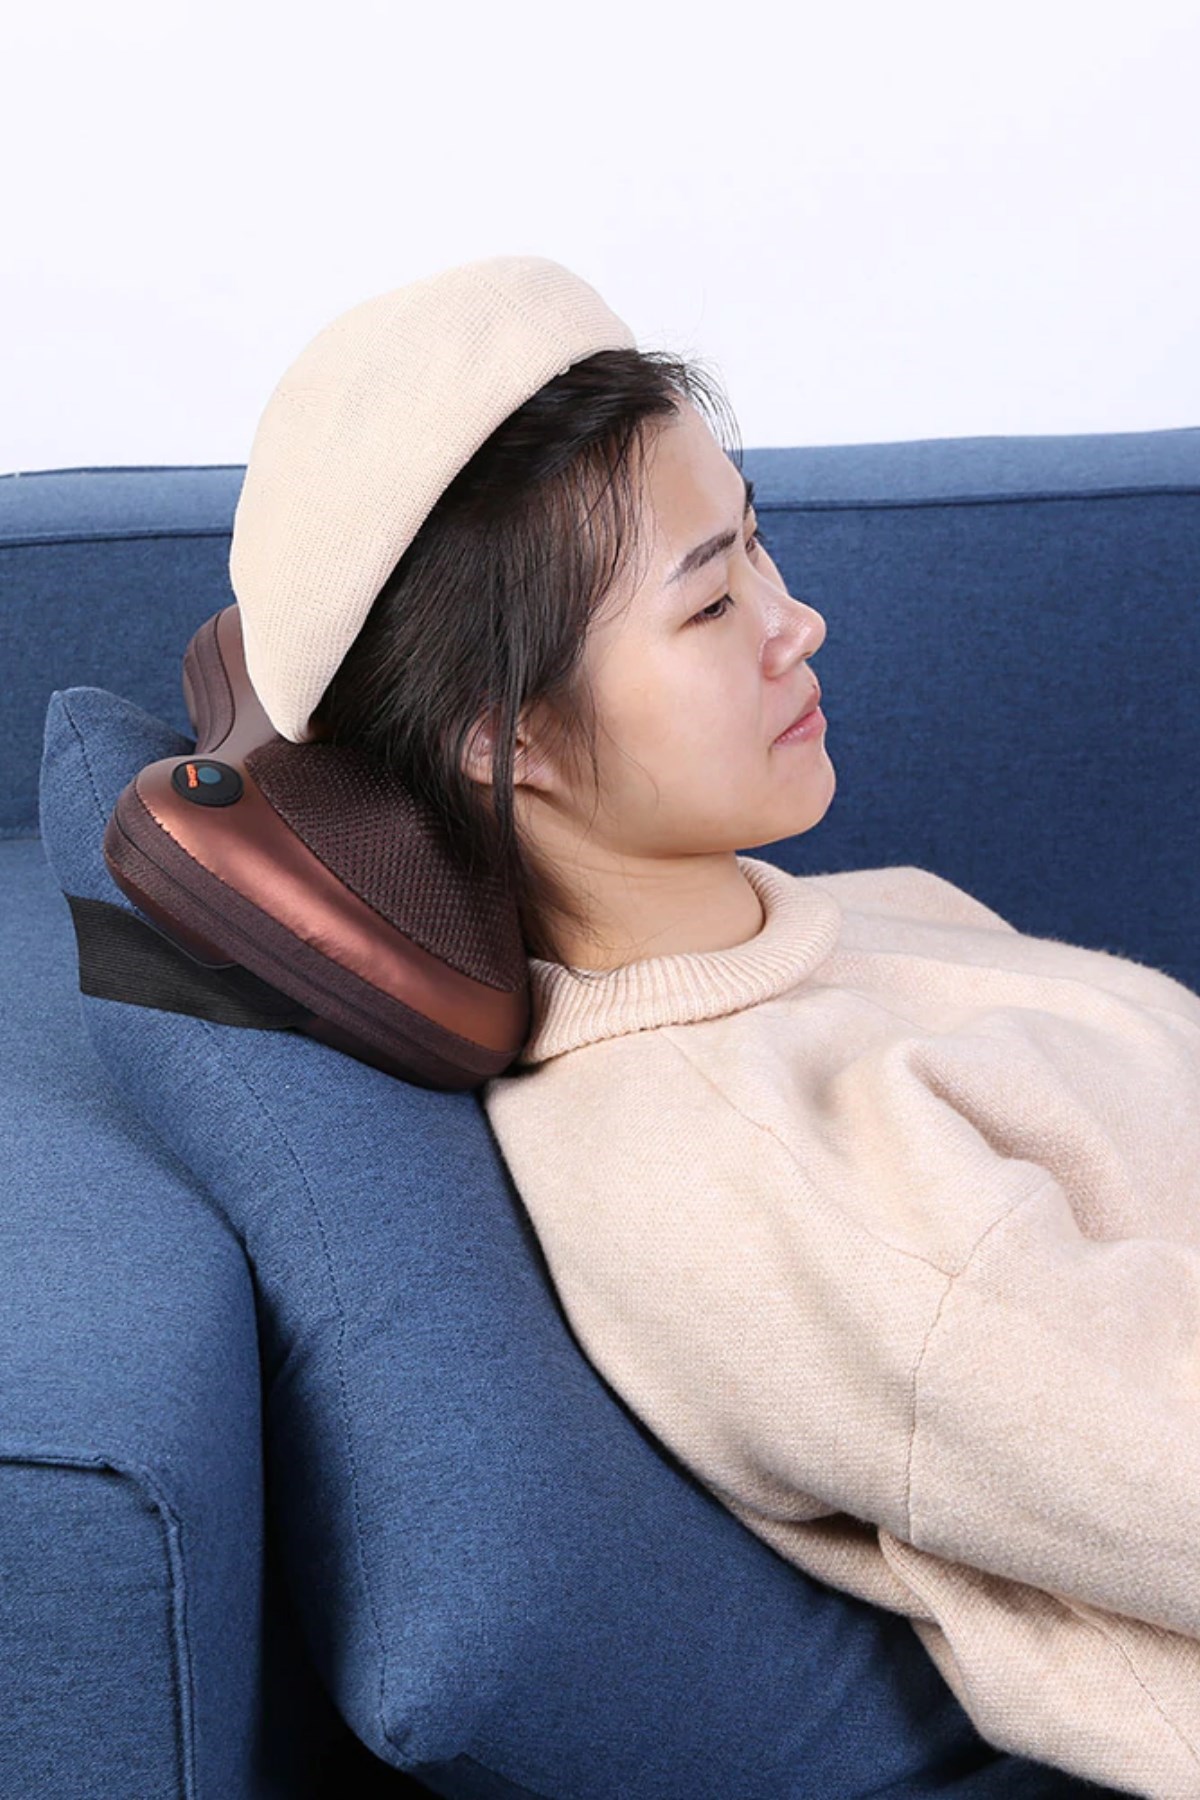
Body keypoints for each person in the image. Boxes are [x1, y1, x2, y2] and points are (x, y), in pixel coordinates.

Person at [243, 256, 1200, 1798]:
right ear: (505, 736)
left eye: (757, 544)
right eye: (708, 602)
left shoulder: (822, 919)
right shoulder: (754, 1179)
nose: (797, 621)